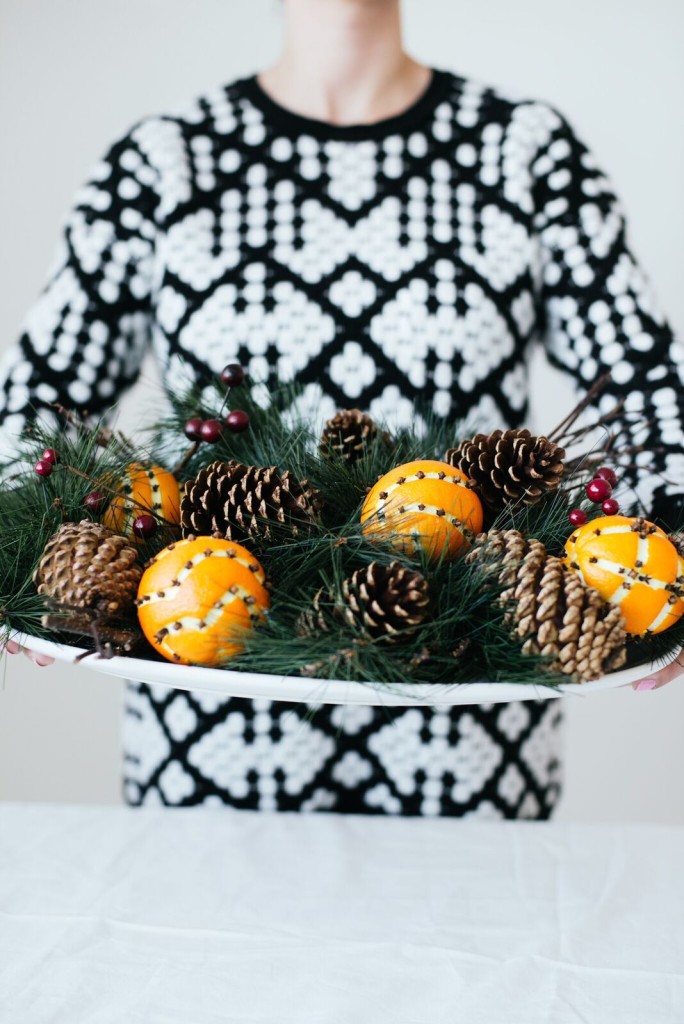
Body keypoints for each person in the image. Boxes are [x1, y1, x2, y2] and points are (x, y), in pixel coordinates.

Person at [1, 0, 683, 815]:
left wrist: (675, 537)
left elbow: (642, 378)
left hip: (468, 736)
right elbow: (37, 404)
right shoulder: (162, 162)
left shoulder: (524, 151)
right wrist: (39, 571)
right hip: (212, 728)